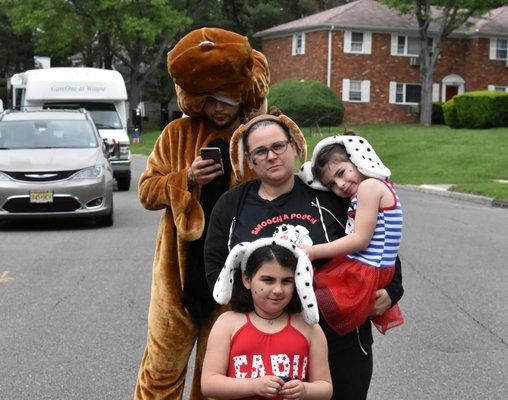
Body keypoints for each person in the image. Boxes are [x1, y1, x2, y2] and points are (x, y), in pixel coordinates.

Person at [204, 112, 403, 400]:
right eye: (260, 151)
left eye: (278, 146)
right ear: (250, 160)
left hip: (340, 339)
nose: (271, 156)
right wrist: (256, 313)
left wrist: (393, 288)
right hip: (265, 349)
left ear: (295, 147)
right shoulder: (232, 205)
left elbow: (379, 241)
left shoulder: (330, 195)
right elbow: (215, 268)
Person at [134, 27, 269, 400]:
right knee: (161, 371)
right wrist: (186, 179)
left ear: (241, 95)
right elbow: (146, 191)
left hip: (232, 280)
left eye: (227, 98)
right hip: (177, 278)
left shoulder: (258, 134)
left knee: (216, 379)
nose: (219, 107)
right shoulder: (176, 133)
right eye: (211, 99)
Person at [298, 134, 404, 336]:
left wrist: (312, 252)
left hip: (367, 268)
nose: (341, 184)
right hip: (373, 266)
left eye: (341, 172)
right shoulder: (373, 188)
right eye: (331, 184)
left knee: (312, 301)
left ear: (357, 161)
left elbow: (360, 239)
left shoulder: (369, 187)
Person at [202, 238, 332, 400]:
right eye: (268, 280)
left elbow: (325, 387)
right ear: (247, 279)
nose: (278, 290)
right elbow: (209, 383)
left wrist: (305, 390)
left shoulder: (309, 327)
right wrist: (253, 386)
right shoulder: (227, 323)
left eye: (286, 281)